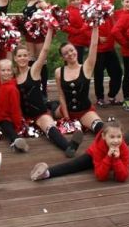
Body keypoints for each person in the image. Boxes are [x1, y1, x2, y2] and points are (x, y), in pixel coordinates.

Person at [30, 120, 129, 182]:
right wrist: (108, 158)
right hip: (97, 154)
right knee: (74, 165)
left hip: (117, 154)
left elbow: (123, 177)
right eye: (112, 137)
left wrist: (116, 159)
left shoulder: (122, 148)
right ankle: (46, 173)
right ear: (103, 137)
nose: (116, 140)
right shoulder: (98, 147)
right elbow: (101, 176)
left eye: (118, 137)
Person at [15, 25, 84, 158]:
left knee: (49, 127)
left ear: (29, 57)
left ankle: (69, 147)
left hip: (39, 113)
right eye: (19, 56)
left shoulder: (34, 70)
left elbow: (45, 50)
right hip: (24, 116)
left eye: (25, 55)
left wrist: (50, 30)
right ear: (15, 59)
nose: (22, 58)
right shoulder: (14, 76)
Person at [0, 33, 29, 152]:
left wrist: (17, 126)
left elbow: (15, 109)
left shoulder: (12, 89)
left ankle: (17, 142)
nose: (6, 73)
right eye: (3, 70)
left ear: (12, 71)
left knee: (8, 129)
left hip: (4, 118)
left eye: (8, 70)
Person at [53, 25, 105, 135]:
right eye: (66, 53)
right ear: (62, 57)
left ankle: (122, 143)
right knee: (51, 112)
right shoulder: (59, 72)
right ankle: (52, 105)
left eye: (71, 50)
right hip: (66, 110)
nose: (70, 54)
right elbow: (61, 95)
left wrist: (95, 26)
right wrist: (66, 117)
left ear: (76, 50)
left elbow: (94, 45)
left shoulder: (86, 67)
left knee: (101, 129)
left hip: (84, 112)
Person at [89, 0, 124, 108]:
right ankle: (99, 98)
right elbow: (85, 29)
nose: (103, 0)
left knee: (117, 72)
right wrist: (97, 39)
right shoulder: (91, 12)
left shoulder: (108, 11)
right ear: (95, 0)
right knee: (98, 75)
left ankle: (111, 96)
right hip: (98, 50)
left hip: (110, 48)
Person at [20, 0, 50, 97]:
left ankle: (43, 90)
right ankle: (33, 86)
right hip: (28, 35)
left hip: (39, 36)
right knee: (31, 60)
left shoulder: (39, 1)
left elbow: (49, 14)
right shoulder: (28, 1)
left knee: (41, 61)